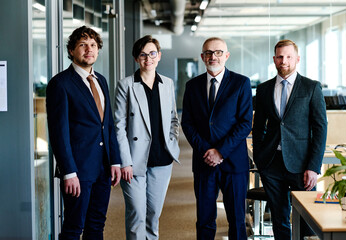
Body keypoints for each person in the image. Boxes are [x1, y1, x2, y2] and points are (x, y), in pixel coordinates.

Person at [46, 26, 122, 240]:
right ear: (71, 50)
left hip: (103, 168)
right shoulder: (60, 84)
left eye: (93, 45)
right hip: (78, 171)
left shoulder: (101, 81)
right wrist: (69, 172)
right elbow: (59, 133)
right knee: (73, 227)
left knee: (97, 225)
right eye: (82, 45)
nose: (89, 50)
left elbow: (108, 125)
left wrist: (115, 161)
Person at [252, 39, 327, 240]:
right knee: (279, 218)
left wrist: (314, 166)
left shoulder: (311, 87)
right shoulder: (264, 89)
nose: (283, 61)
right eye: (279, 57)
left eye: (288, 57)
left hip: (302, 165)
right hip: (271, 163)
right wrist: (259, 157)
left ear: (297, 59)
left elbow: (320, 129)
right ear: (274, 59)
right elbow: (258, 127)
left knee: (307, 219)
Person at [181, 37, 253, 240]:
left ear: (226, 56)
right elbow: (187, 123)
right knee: (204, 220)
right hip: (204, 162)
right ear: (202, 57)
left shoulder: (241, 83)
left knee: (237, 220)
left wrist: (220, 151)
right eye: (208, 53)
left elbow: (245, 123)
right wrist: (207, 151)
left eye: (218, 52)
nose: (213, 56)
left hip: (233, 162)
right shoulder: (192, 86)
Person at [114, 35, 180, 240]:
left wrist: (172, 143)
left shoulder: (167, 83)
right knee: (137, 215)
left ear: (159, 56)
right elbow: (119, 126)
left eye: (152, 53)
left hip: (162, 158)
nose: (148, 59)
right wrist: (125, 162)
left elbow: (173, 119)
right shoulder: (126, 85)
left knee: (153, 215)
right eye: (143, 55)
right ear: (136, 58)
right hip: (134, 162)